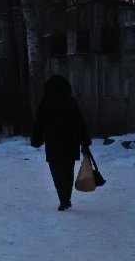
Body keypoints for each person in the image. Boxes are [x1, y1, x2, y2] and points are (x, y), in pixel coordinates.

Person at [31, 74, 92, 211]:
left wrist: (36, 139)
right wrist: (85, 140)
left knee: (56, 171)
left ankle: (62, 198)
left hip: (53, 144)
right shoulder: (70, 103)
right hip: (70, 144)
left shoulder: (46, 103)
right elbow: (79, 123)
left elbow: (39, 124)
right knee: (68, 171)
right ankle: (66, 198)